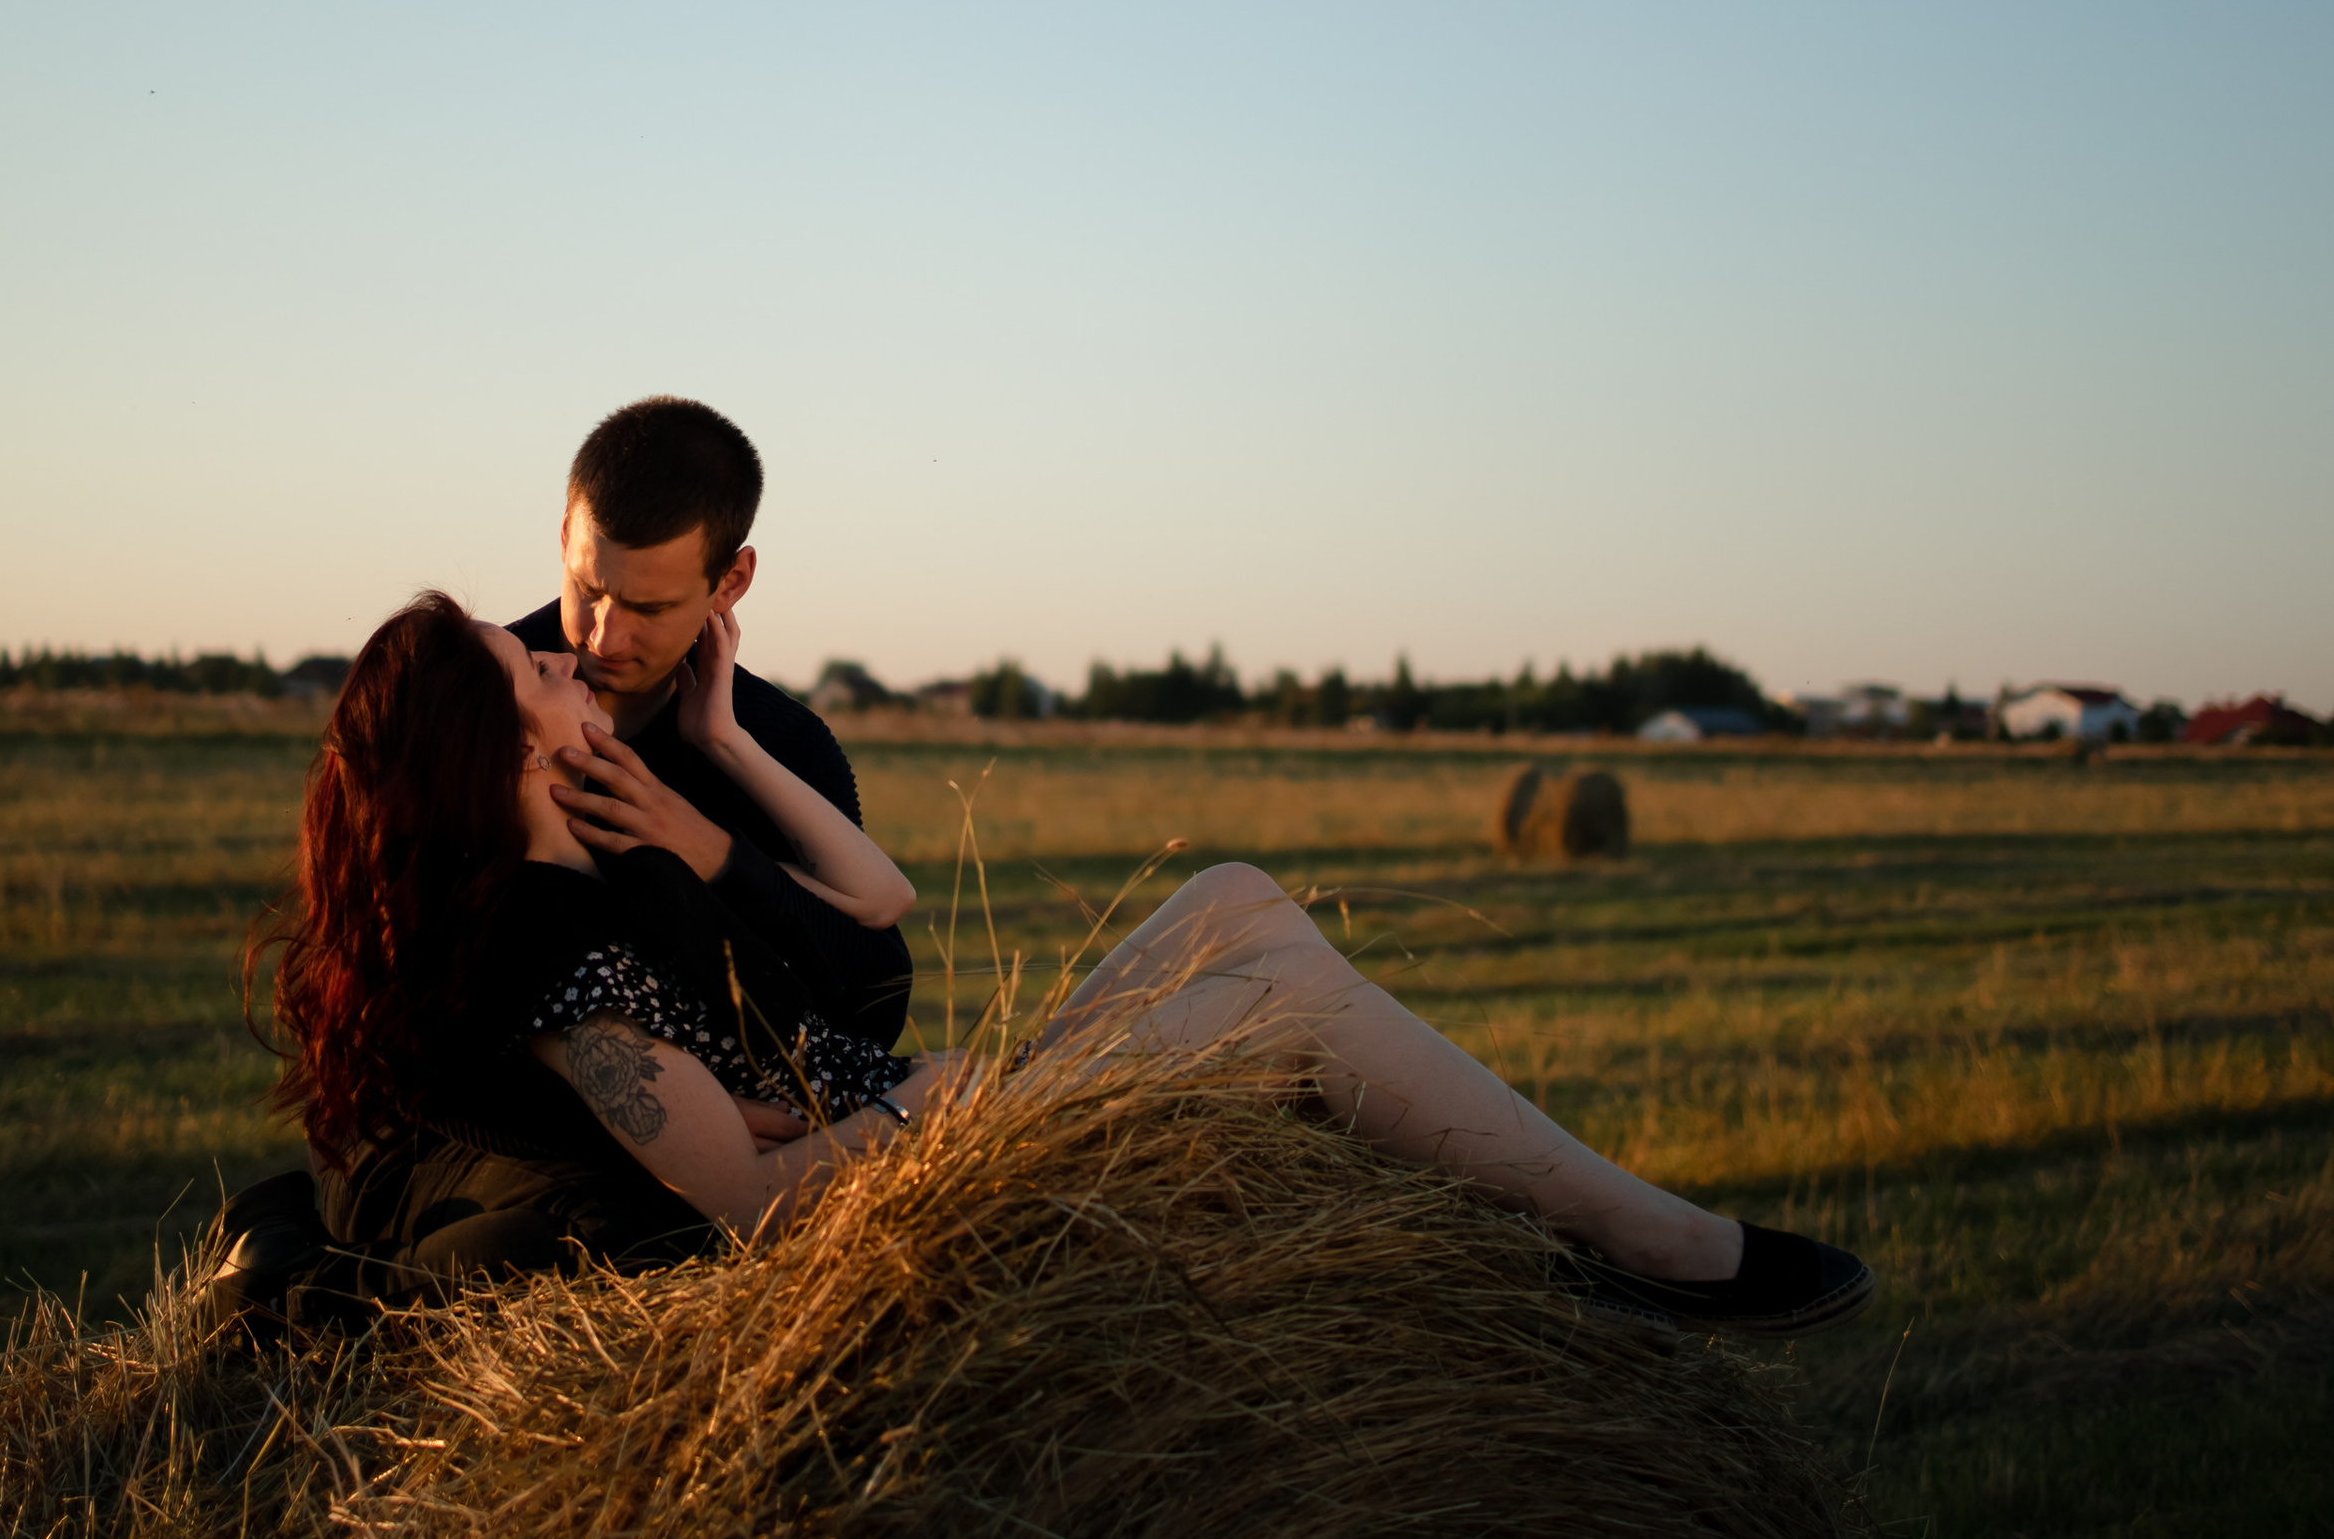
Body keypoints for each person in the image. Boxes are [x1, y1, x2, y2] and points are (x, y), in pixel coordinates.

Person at [244, 592, 1873, 1338]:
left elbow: (861, 920)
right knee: (1275, 1005)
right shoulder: (558, 969)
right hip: (933, 1151)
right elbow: (751, 1206)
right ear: (496, 751)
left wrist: (713, 765)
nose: (558, 653)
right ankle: (1648, 1246)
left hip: (914, 1105)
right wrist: (935, 1102)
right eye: (521, 667)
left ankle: (1584, 1228)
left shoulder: (594, 871)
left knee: (1234, 896)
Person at [505, 395, 913, 1046]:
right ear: (564, 536)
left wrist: (715, 851)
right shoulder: (472, 693)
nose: (604, 639)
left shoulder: (785, 741)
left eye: (650, 609)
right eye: (589, 589)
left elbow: (877, 995)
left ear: (731, 581)